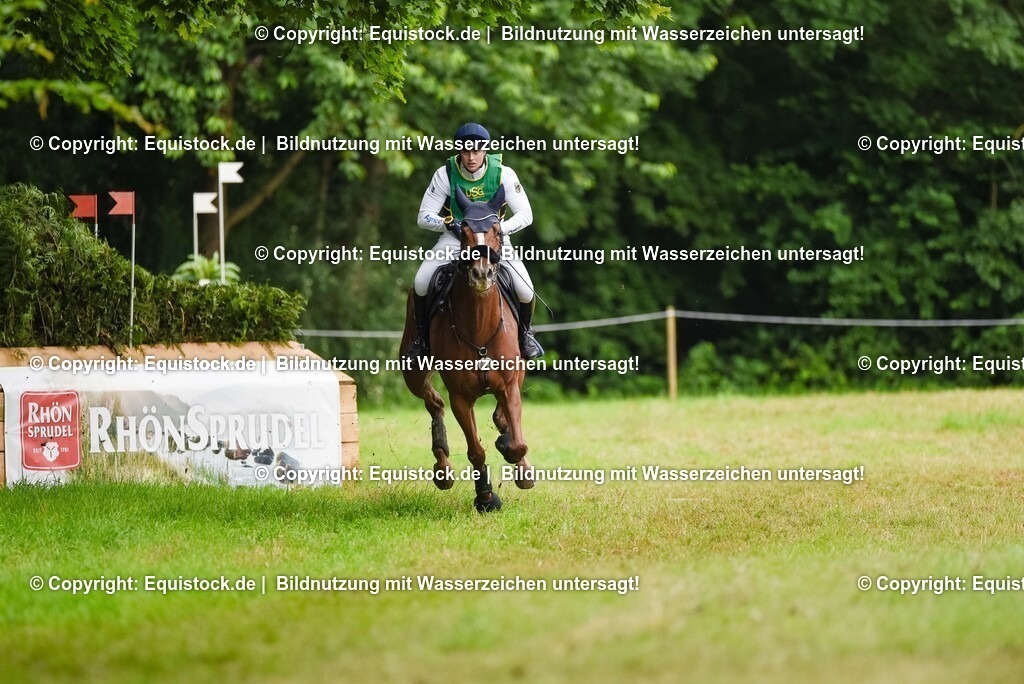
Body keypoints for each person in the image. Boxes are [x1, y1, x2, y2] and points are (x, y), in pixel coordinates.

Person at [404, 122, 544, 360]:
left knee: (525, 289)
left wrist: (501, 230)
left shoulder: (504, 174)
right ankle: (421, 341)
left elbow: (526, 214)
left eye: (476, 151)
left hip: (494, 240)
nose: (471, 157)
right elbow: (423, 217)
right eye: (466, 151)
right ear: (459, 151)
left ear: (485, 150)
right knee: (421, 282)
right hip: (456, 239)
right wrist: (447, 223)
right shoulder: (445, 174)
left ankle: (525, 336)